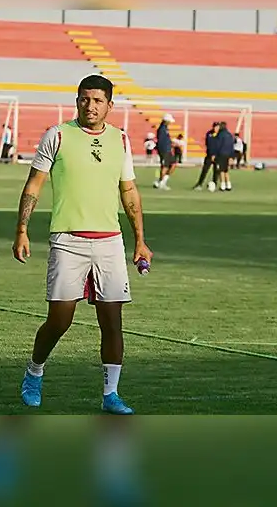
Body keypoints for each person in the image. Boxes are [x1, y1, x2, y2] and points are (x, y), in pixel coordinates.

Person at [12, 74, 152, 415]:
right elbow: (34, 185)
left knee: (112, 320)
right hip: (67, 240)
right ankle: (34, 371)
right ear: (77, 101)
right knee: (60, 319)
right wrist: (22, 230)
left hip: (110, 242)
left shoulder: (120, 139)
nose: (91, 106)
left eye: (98, 100)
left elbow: (129, 191)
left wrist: (140, 241)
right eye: (85, 99)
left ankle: (111, 395)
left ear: (109, 105)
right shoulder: (57, 135)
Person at [192, 121, 221, 191]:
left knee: (216, 171)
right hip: (209, 155)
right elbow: (209, 144)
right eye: (215, 127)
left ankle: (214, 185)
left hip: (218, 156)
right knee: (205, 170)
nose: (216, 128)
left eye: (217, 127)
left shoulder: (221, 135)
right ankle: (199, 184)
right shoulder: (209, 134)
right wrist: (212, 154)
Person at [152, 113, 176, 190]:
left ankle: (162, 182)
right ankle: (161, 183)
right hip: (164, 151)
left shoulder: (165, 128)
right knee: (165, 166)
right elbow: (161, 142)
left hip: (168, 150)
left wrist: (171, 144)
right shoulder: (162, 129)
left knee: (173, 164)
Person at [215, 121, 235, 191]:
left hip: (221, 154)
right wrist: (232, 157)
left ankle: (223, 185)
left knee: (221, 170)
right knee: (226, 170)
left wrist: (215, 155)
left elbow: (218, 146)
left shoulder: (220, 135)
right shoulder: (229, 135)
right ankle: (228, 185)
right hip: (229, 154)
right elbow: (232, 146)